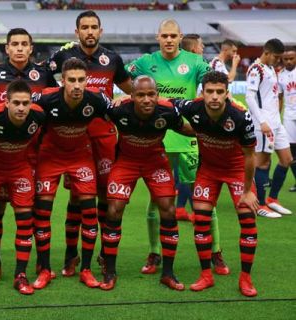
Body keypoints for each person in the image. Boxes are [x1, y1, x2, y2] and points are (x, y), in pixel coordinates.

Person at [127, 19, 230, 276]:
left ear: (180, 36)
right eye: (165, 35)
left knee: (204, 200)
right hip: (157, 140)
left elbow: (215, 85)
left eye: (174, 35)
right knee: (157, 202)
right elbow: (122, 79)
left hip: (189, 139)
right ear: (158, 36)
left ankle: (215, 252)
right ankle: (155, 253)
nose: (169, 40)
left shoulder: (195, 62)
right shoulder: (144, 63)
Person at [0, 28, 57, 279]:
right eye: (14, 44)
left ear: (31, 48)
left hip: (32, 154)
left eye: (23, 44)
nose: (19, 48)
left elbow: (54, 105)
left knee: (35, 211)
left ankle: (42, 264)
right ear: (6, 48)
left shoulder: (45, 74)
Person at [47, 10, 131, 276]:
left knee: (106, 195)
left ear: (101, 31)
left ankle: (105, 255)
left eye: (94, 27)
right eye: (85, 27)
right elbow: (44, 87)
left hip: (104, 135)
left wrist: (124, 100)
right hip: (75, 137)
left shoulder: (112, 59)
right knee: (78, 197)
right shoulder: (63, 56)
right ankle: (71, 256)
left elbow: (132, 89)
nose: (90, 31)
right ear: (77, 32)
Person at [102, 75, 192, 291]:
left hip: (155, 163)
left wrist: (213, 133)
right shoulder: (119, 110)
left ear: (157, 95)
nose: (146, 99)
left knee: (169, 210)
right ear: (132, 96)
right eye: (140, 95)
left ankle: (168, 273)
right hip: (126, 162)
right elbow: (94, 106)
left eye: (151, 94)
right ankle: (110, 271)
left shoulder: (168, 112)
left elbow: (186, 129)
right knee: (114, 210)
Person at [174, 71, 259, 297]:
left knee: (248, 222)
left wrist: (249, 190)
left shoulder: (241, 116)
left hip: (236, 171)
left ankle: (245, 278)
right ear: (202, 92)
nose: (214, 97)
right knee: (200, 220)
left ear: (227, 93)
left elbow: (250, 155)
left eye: (219, 92)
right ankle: (206, 276)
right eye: (209, 91)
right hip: (208, 171)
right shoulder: (193, 107)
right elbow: (167, 102)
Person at [32, 58, 110, 290]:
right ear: (62, 81)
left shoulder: (96, 98)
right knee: (43, 212)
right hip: (50, 156)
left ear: (87, 81)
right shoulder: (45, 98)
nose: (77, 85)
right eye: (72, 80)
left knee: (89, 210)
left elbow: (119, 113)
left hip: (80, 156)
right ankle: (45, 268)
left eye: (81, 80)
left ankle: (85, 268)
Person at [0, 79, 45, 296]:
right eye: (17, 103)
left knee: (25, 220)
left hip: (19, 171)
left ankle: (20, 275)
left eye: (26, 103)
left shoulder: (38, 115)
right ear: (6, 102)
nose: (22, 108)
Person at [246, 38, 293, 217]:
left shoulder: (271, 68)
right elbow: (250, 97)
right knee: (263, 163)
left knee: (286, 159)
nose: (279, 60)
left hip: (276, 123)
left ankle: (272, 199)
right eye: (276, 56)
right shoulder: (255, 69)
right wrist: (262, 121)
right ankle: (260, 205)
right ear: (266, 52)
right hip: (263, 124)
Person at [277, 47, 296, 192]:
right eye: (286, 59)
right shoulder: (280, 75)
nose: (289, 61)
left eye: (292, 58)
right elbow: (280, 97)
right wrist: (277, 115)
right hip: (289, 116)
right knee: (291, 150)